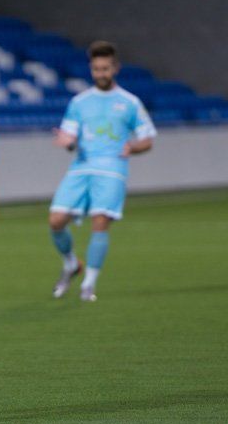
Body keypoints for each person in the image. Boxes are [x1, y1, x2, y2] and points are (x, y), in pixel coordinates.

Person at [49, 41, 156, 302]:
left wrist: (133, 147)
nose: (101, 73)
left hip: (112, 171)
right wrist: (68, 143)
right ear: (91, 69)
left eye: (106, 68)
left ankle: (89, 284)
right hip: (81, 167)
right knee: (56, 221)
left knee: (100, 222)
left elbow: (148, 138)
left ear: (115, 68)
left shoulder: (130, 103)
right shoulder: (79, 102)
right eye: (97, 69)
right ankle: (72, 264)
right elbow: (70, 135)